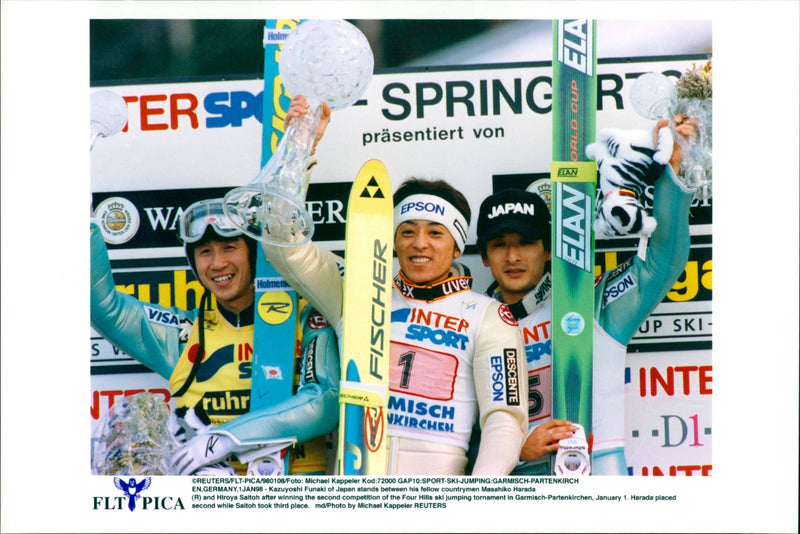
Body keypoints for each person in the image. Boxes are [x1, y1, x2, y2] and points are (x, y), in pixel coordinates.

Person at [260, 96, 529, 476]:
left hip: (437, 499)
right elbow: (281, 246)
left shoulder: (488, 315)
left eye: (435, 233)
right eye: (407, 232)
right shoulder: (357, 287)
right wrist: (299, 149)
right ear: (393, 238)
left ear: (456, 245)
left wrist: (477, 500)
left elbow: (505, 419)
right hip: (356, 483)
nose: (419, 244)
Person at [475, 118, 697, 475]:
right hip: (514, 485)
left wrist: (669, 176)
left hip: (600, 476)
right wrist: (516, 451)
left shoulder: (591, 301)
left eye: (526, 244)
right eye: (499, 245)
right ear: (484, 257)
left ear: (548, 251)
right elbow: (454, 434)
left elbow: (662, 262)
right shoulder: (471, 320)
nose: (512, 257)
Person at [90, 197, 340, 475]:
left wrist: (226, 439)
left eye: (230, 248)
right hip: (215, 506)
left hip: (296, 507)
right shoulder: (182, 333)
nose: (218, 263)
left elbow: (325, 402)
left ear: (253, 253)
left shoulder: (306, 318)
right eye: (205, 252)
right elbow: (103, 308)